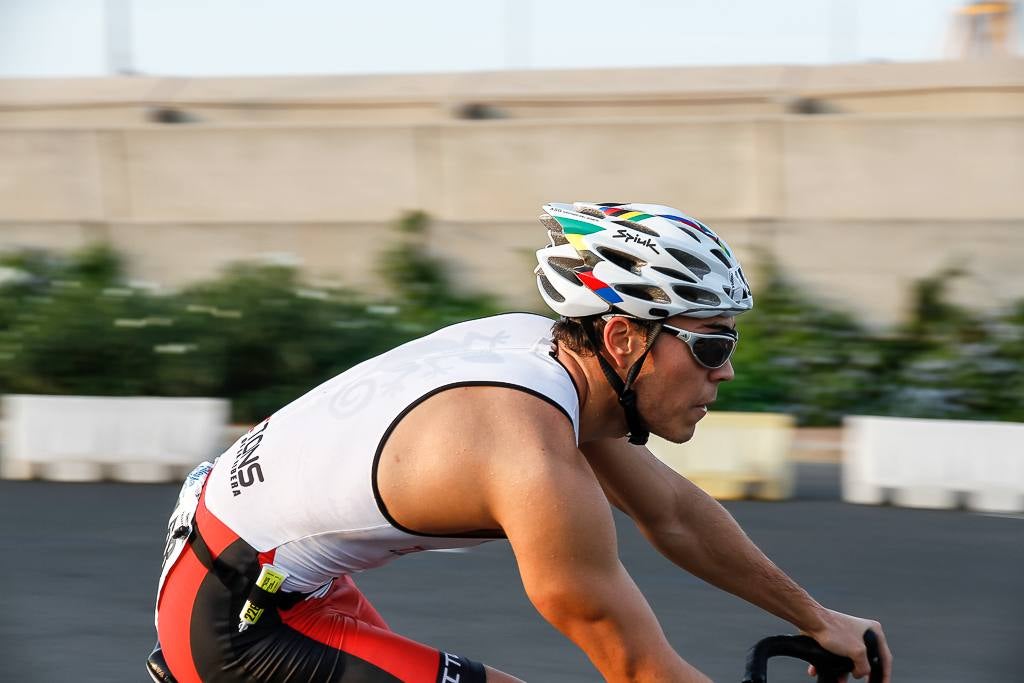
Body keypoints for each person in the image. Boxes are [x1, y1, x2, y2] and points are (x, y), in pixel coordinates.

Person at [151, 201, 892, 682]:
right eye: (709, 345)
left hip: (254, 557)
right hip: (233, 615)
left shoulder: (552, 362)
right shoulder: (528, 454)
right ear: (625, 336)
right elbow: (635, 664)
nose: (726, 370)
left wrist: (815, 617)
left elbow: (671, 512)